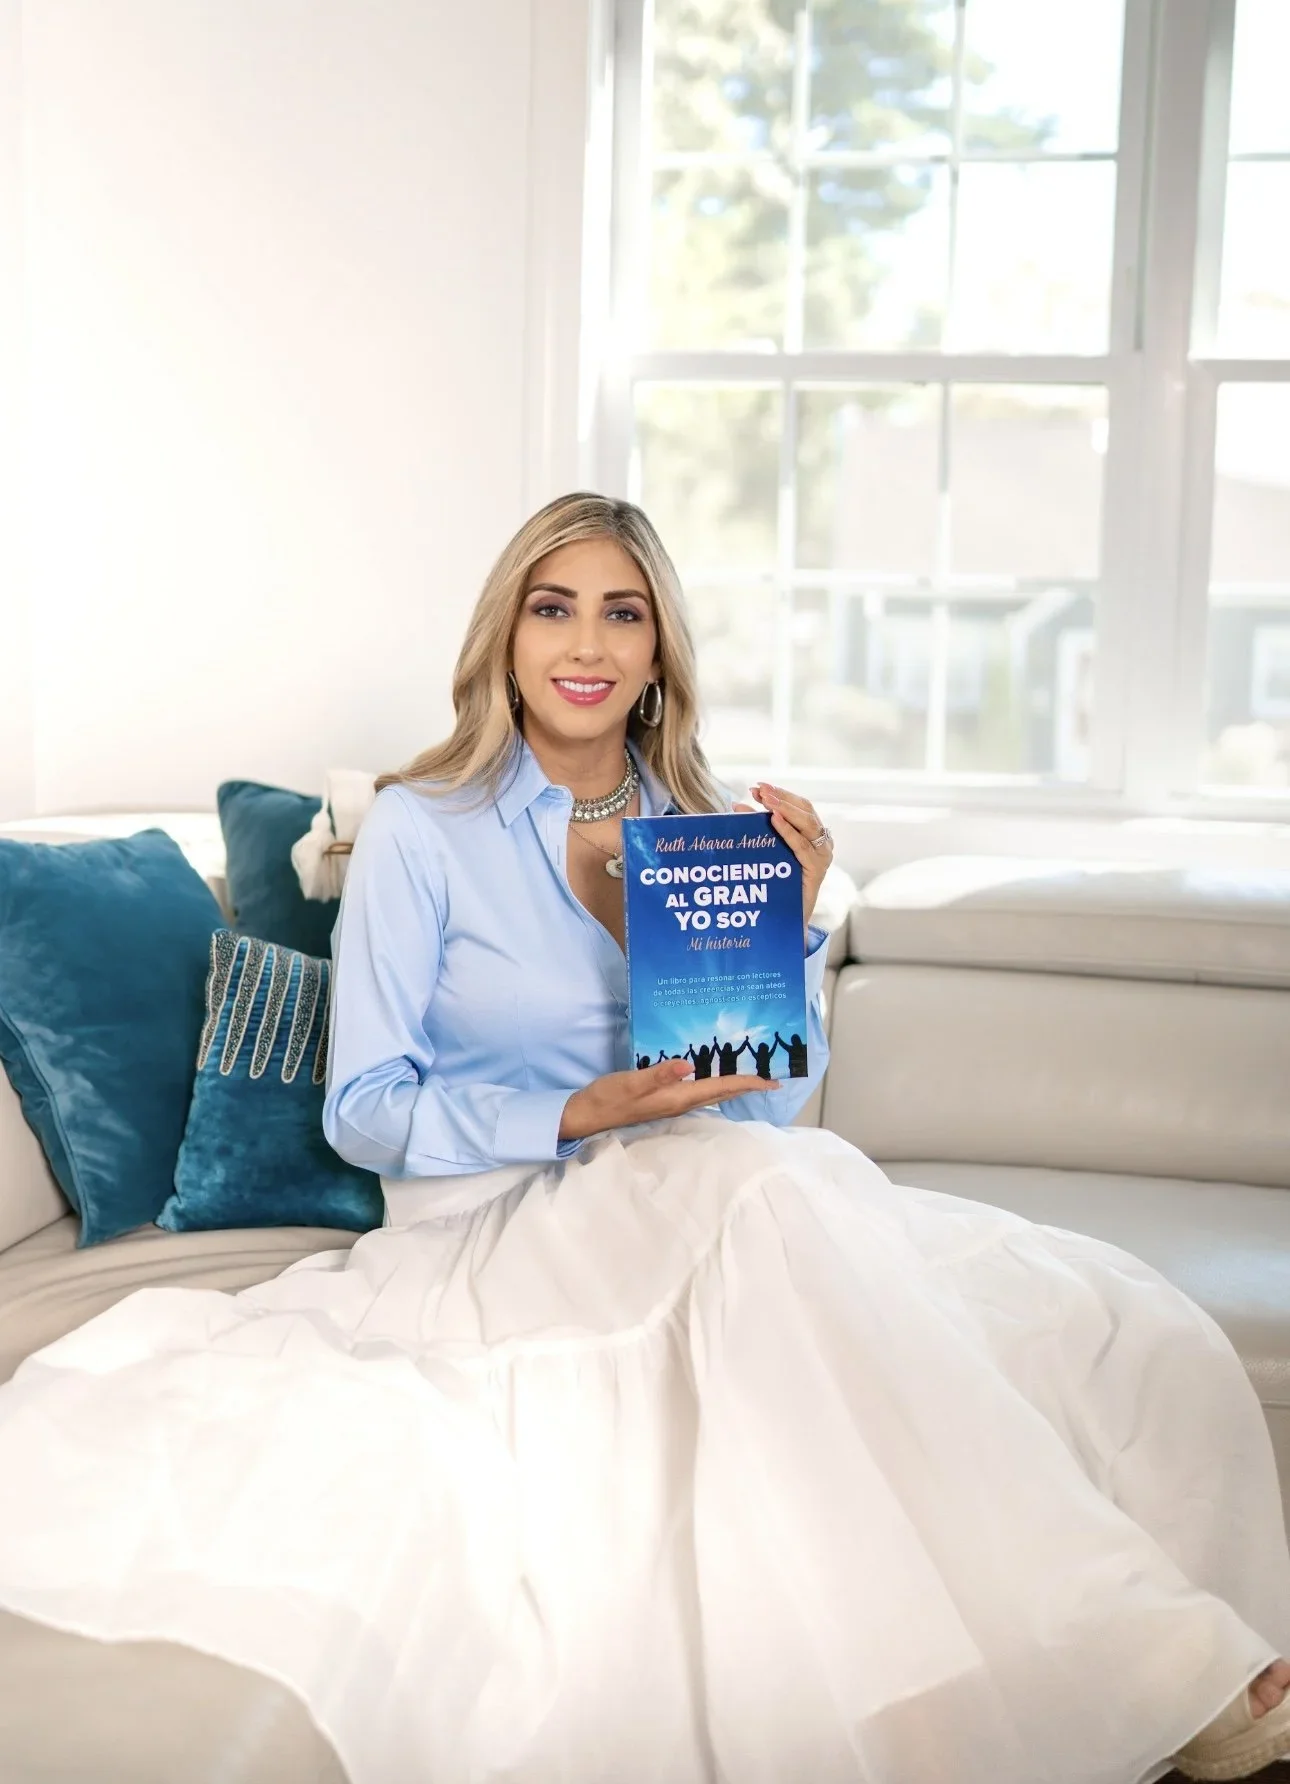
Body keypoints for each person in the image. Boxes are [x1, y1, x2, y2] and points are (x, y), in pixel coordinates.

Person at [0, 493, 1285, 1784]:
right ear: (505, 633)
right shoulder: (421, 828)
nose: (588, 643)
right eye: (554, 606)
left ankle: (1061, 1667)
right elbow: (363, 1108)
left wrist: (786, 925)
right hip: (486, 1223)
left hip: (701, 1187)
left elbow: (762, 1109)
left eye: (623, 612)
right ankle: (1151, 1663)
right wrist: (575, 1112)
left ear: (659, 649)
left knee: (1088, 1318)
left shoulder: (701, 829)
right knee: (771, 1208)